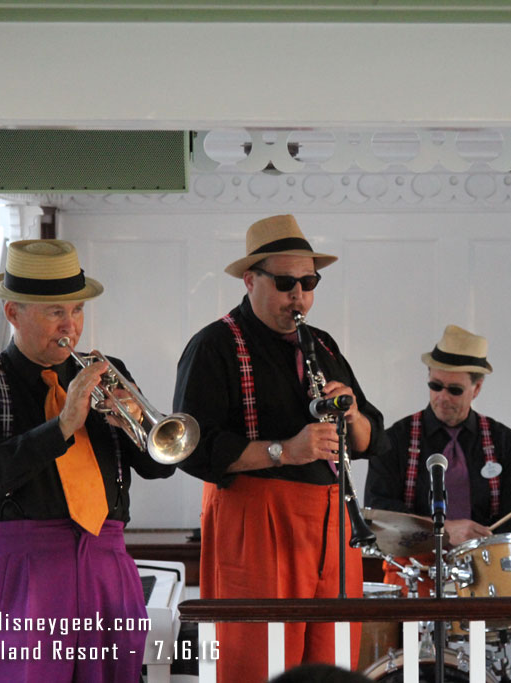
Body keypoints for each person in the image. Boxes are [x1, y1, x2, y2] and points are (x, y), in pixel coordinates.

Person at [0, 239, 175, 683]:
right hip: (22, 569)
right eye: (55, 313)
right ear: (13, 313)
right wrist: (63, 425)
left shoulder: (106, 372)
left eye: (76, 310)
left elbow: (159, 466)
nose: (70, 325)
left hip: (106, 561)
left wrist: (133, 427)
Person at [173, 214, 385, 680]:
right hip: (256, 518)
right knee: (258, 659)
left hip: (332, 519)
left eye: (309, 282)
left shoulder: (322, 344)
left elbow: (374, 438)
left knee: (332, 659)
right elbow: (192, 449)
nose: (300, 296)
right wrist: (285, 451)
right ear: (250, 280)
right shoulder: (213, 345)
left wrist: (350, 415)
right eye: (286, 282)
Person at [364, 324, 511, 595]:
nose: (442, 397)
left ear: (476, 389)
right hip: (412, 575)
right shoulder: (395, 439)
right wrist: (442, 531)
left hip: (485, 578)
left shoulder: (505, 443)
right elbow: (378, 513)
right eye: (435, 386)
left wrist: (477, 544)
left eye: (455, 390)